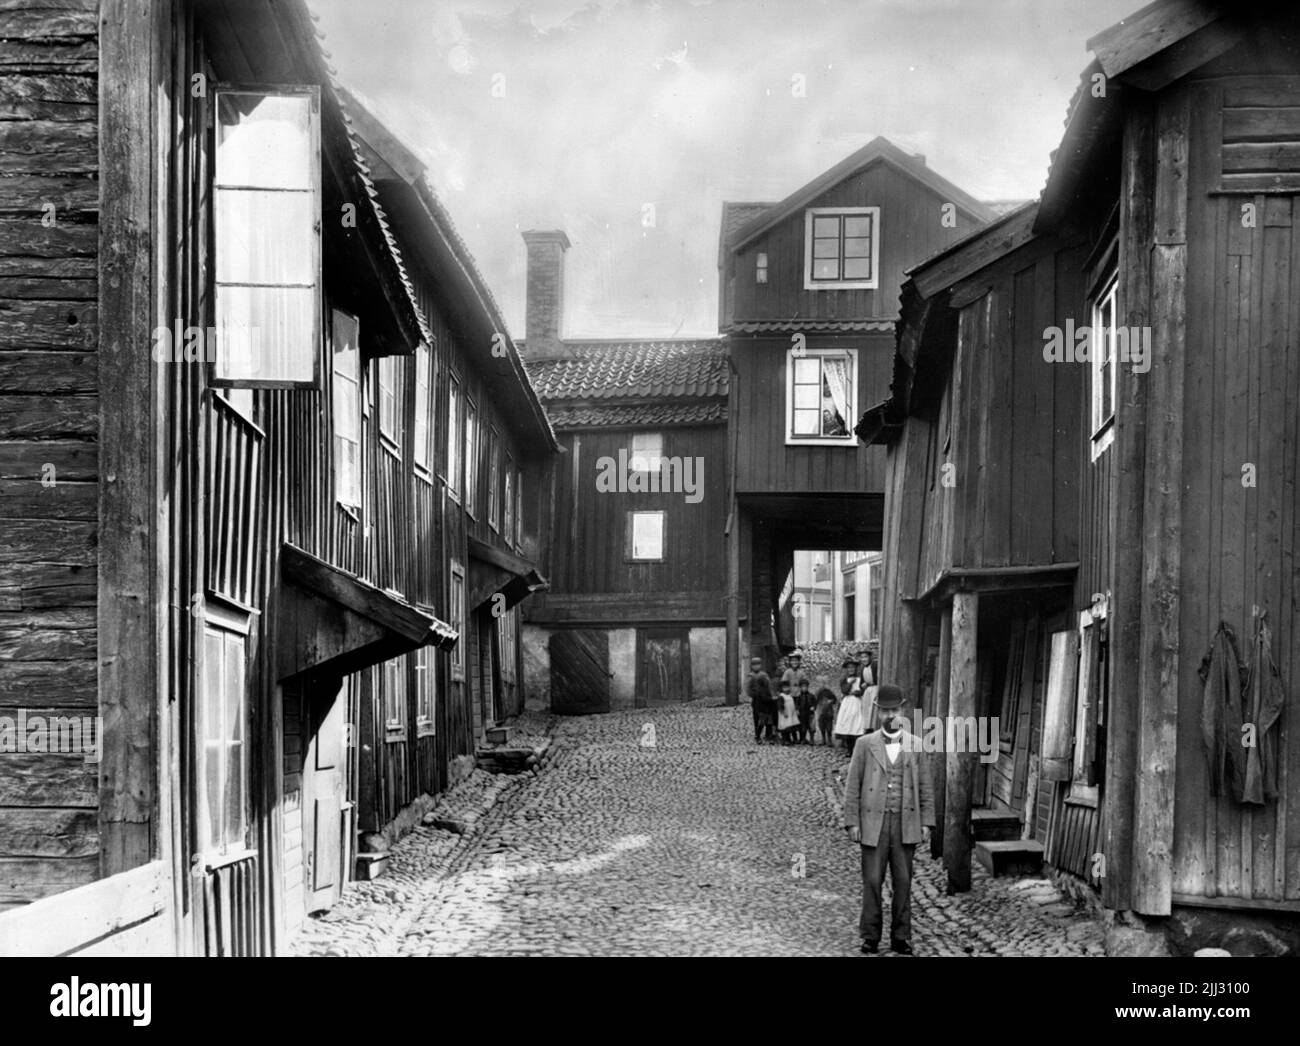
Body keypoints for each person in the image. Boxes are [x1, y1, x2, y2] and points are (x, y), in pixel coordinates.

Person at [842, 685, 936, 955]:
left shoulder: (916, 745)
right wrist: (853, 822)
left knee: (904, 881)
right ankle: (870, 935)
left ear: (902, 711)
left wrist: (926, 822)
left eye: (894, 710)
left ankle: (901, 937)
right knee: (872, 880)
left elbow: (925, 786)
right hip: (874, 823)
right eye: (885, 710)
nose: (890, 715)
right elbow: (852, 786)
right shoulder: (864, 744)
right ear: (877, 712)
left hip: (905, 823)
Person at [833, 651, 866, 752]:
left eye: (853, 667)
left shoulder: (860, 679)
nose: (851, 669)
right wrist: (850, 683)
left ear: (856, 668)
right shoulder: (844, 679)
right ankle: (849, 749)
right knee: (847, 725)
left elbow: (863, 690)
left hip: (857, 702)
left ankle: (856, 749)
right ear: (847, 669)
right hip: (847, 703)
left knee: (857, 724)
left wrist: (859, 692)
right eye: (849, 668)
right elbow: (844, 690)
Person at [745, 655, 774, 744]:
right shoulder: (750, 676)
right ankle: (757, 734)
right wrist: (753, 694)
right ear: (752, 666)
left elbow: (769, 686)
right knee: (757, 717)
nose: (756, 666)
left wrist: (770, 695)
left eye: (758, 664)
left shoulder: (764, 675)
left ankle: (768, 734)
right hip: (756, 699)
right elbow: (748, 688)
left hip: (765, 698)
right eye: (754, 665)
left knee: (768, 716)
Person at [776, 679, 800, 745]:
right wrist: (783, 712)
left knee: (791, 727)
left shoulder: (790, 695)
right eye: (784, 688)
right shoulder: (781, 696)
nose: (786, 689)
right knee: (785, 728)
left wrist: (796, 710)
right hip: (785, 715)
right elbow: (779, 706)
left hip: (791, 714)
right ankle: (785, 740)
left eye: (787, 687)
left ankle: (793, 739)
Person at [795, 679, 817, 744]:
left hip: (810, 713)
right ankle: (803, 738)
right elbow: (797, 704)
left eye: (805, 687)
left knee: (811, 727)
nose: (804, 688)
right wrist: (797, 710)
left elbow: (815, 703)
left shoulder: (811, 695)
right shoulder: (799, 697)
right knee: (803, 727)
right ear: (800, 688)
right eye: (802, 687)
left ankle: (811, 739)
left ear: (807, 687)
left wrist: (814, 707)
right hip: (802, 714)